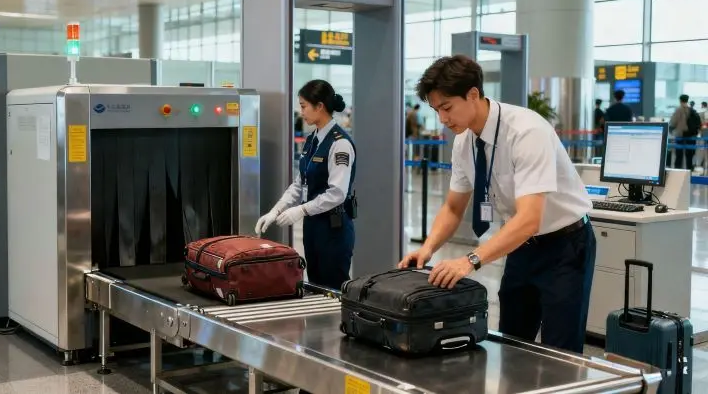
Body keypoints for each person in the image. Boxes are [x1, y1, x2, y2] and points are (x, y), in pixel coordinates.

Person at [398, 55, 596, 354]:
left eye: (447, 107)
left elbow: (530, 218)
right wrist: (428, 249)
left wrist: (470, 261)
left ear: (473, 94)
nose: (442, 118)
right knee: (512, 342)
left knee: (561, 351)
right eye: (436, 109)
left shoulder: (527, 132)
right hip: (520, 245)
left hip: (565, 247)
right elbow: (453, 207)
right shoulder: (464, 142)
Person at [255, 80, 356, 290]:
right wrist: (276, 210)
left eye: (303, 106)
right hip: (313, 226)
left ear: (319, 106)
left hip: (333, 228)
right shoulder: (312, 140)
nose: (301, 112)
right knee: (316, 285)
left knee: (332, 290)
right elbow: (299, 183)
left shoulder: (340, 144)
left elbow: (337, 193)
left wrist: (300, 210)